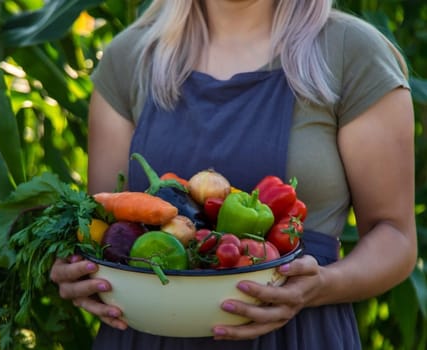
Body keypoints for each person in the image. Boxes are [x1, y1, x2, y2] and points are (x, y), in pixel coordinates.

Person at [49, 0, 417, 349]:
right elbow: (100, 230)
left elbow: (395, 236)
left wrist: (322, 285)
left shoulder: (351, 52)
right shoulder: (130, 58)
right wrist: (78, 272)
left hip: (298, 333)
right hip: (146, 336)